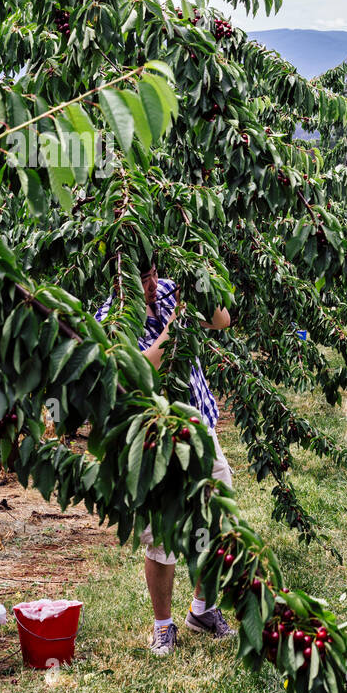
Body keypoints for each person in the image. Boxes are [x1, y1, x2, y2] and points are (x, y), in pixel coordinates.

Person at [94, 255, 235, 656]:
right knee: (162, 535)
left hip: (200, 426)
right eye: (143, 278)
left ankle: (202, 610)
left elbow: (222, 321)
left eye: (155, 273)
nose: (153, 283)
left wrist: (203, 287)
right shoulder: (111, 318)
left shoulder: (174, 290)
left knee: (219, 519)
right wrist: (173, 331)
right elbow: (137, 372)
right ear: (121, 280)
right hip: (157, 438)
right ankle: (163, 626)